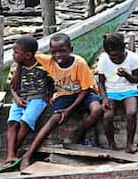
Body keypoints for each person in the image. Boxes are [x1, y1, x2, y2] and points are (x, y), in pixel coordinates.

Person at [20, 33, 103, 170]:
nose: (58, 55)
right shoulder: (48, 61)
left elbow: (86, 89)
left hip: (83, 94)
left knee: (97, 110)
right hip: (64, 95)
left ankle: (78, 132)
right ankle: (28, 155)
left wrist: (70, 109)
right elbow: (26, 55)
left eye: (62, 51)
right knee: (54, 120)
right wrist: (17, 69)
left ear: (70, 49)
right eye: (54, 52)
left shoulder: (79, 63)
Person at [3, 35, 52, 170]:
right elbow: (12, 87)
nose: (13, 55)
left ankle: (14, 150)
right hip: (20, 98)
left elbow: (52, 80)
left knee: (25, 121)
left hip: (38, 98)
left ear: (28, 55)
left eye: (16, 52)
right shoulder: (15, 67)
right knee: (12, 122)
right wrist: (17, 98)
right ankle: (10, 154)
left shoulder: (43, 65)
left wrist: (50, 95)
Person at [95, 32, 138, 153]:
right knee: (107, 116)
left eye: (118, 56)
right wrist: (104, 98)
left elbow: (135, 80)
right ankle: (111, 144)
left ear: (123, 49)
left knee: (131, 112)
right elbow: (101, 82)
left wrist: (126, 75)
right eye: (112, 57)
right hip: (111, 90)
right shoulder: (103, 60)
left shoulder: (133, 58)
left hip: (129, 89)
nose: (115, 59)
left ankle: (130, 144)